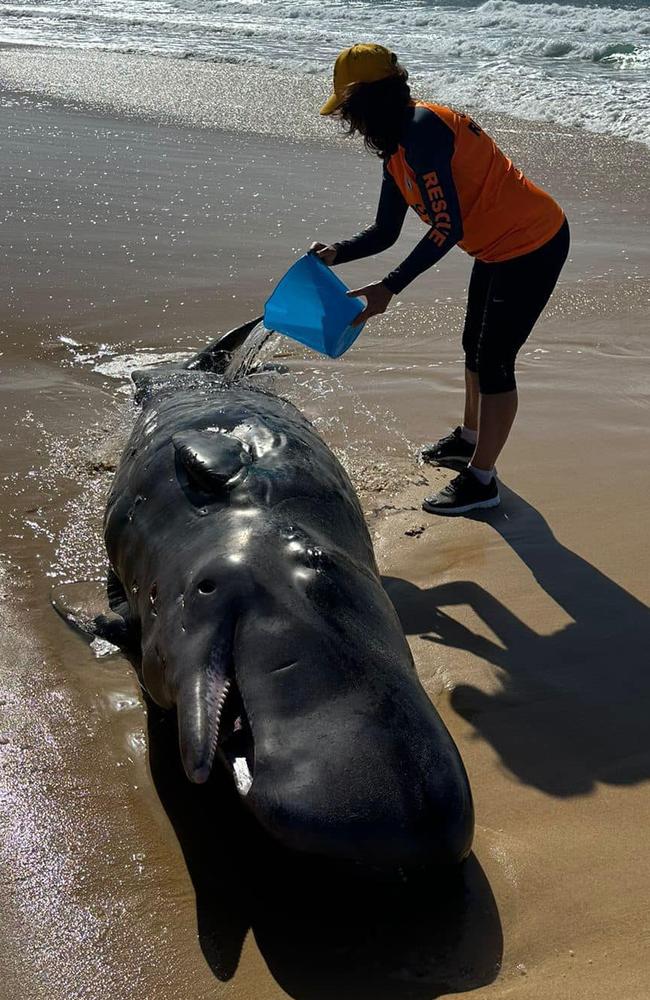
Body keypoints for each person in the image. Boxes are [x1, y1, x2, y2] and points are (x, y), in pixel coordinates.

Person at [311, 43, 569, 515]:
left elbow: (448, 227)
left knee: (494, 358)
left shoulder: (423, 130)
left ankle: (482, 480)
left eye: (351, 110)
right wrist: (336, 254)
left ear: (370, 101)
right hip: (495, 247)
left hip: (533, 242)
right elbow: (385, 231)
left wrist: (388, 288)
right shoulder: (398, 151)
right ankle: (468, 439)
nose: (352, 123)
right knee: (473, 343)